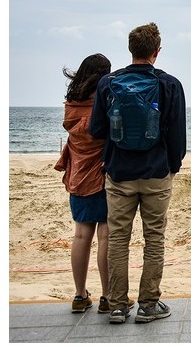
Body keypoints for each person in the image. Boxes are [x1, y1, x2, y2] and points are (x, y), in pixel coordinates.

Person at [90, 22, 186, 324]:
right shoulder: (169, 84)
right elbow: (177, 136)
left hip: (119, 173)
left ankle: (117, 305)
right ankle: (148, 305)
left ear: (131, 50)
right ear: (156, 52)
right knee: (154, 238)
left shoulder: (108, 83)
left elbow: (96, 129)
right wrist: (173, 166)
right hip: (157, 172)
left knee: (118, 238)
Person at [55, 53, 116, 313]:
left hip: (77, 175)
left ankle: (80, 296)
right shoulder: (102, 104)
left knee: (81, 235)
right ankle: (108, 297)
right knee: (105, 236)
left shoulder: (71, 104)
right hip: (101, 177)